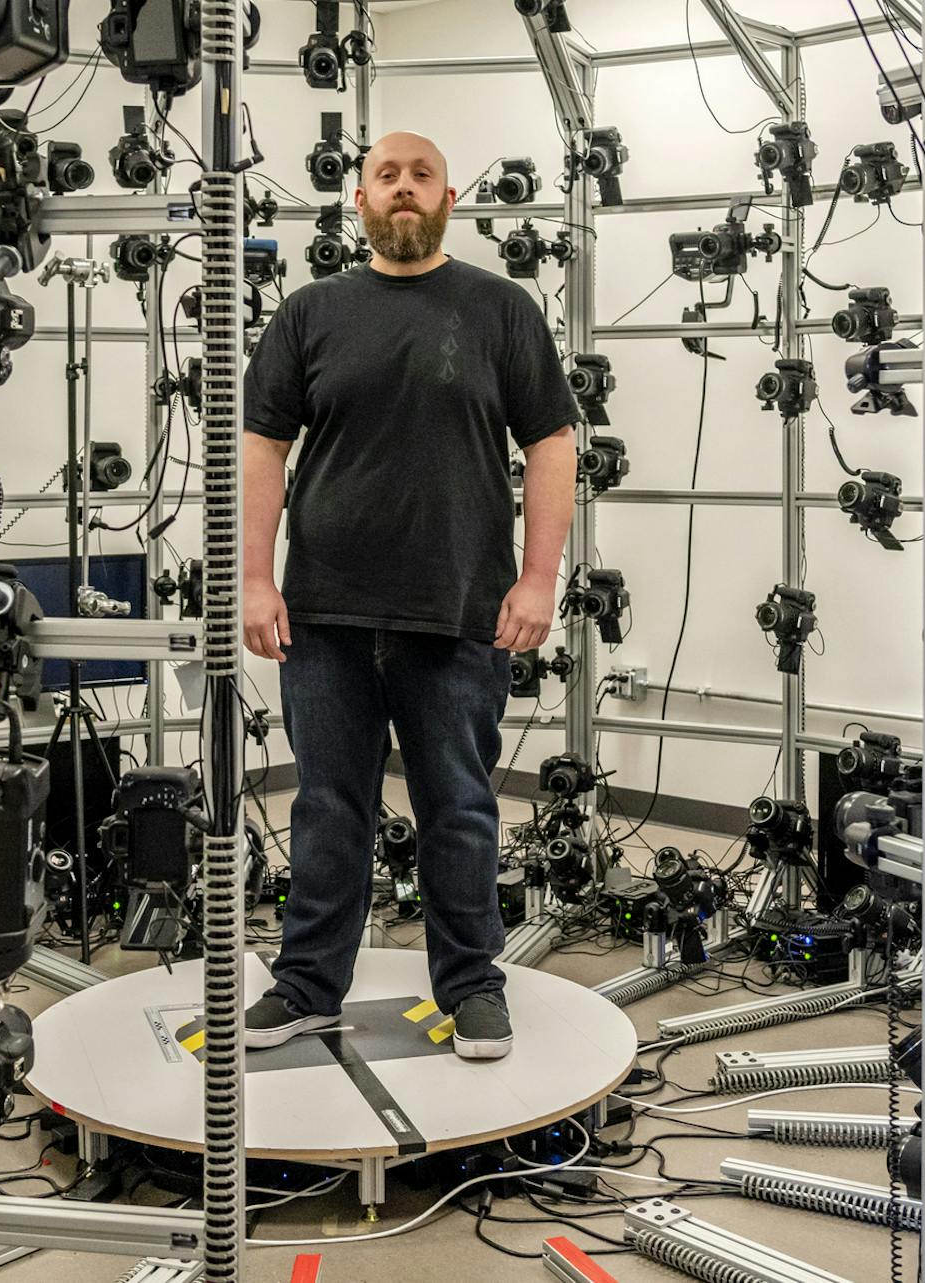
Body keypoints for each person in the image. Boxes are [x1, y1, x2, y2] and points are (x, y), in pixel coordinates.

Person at [238, 130, 579, 1061]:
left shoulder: (501, 310)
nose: (402, 188)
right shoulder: (310, 313)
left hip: (456, 608)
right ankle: (307, 986)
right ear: (359, 201)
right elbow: (262, 449)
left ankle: (472, 984)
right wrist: (257, 578)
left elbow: (553, 444)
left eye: (419, 175)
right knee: (326, 808)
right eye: (385, 175)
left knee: (459, 808)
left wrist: (541, 576)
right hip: (325, 616)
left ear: (447, 197)